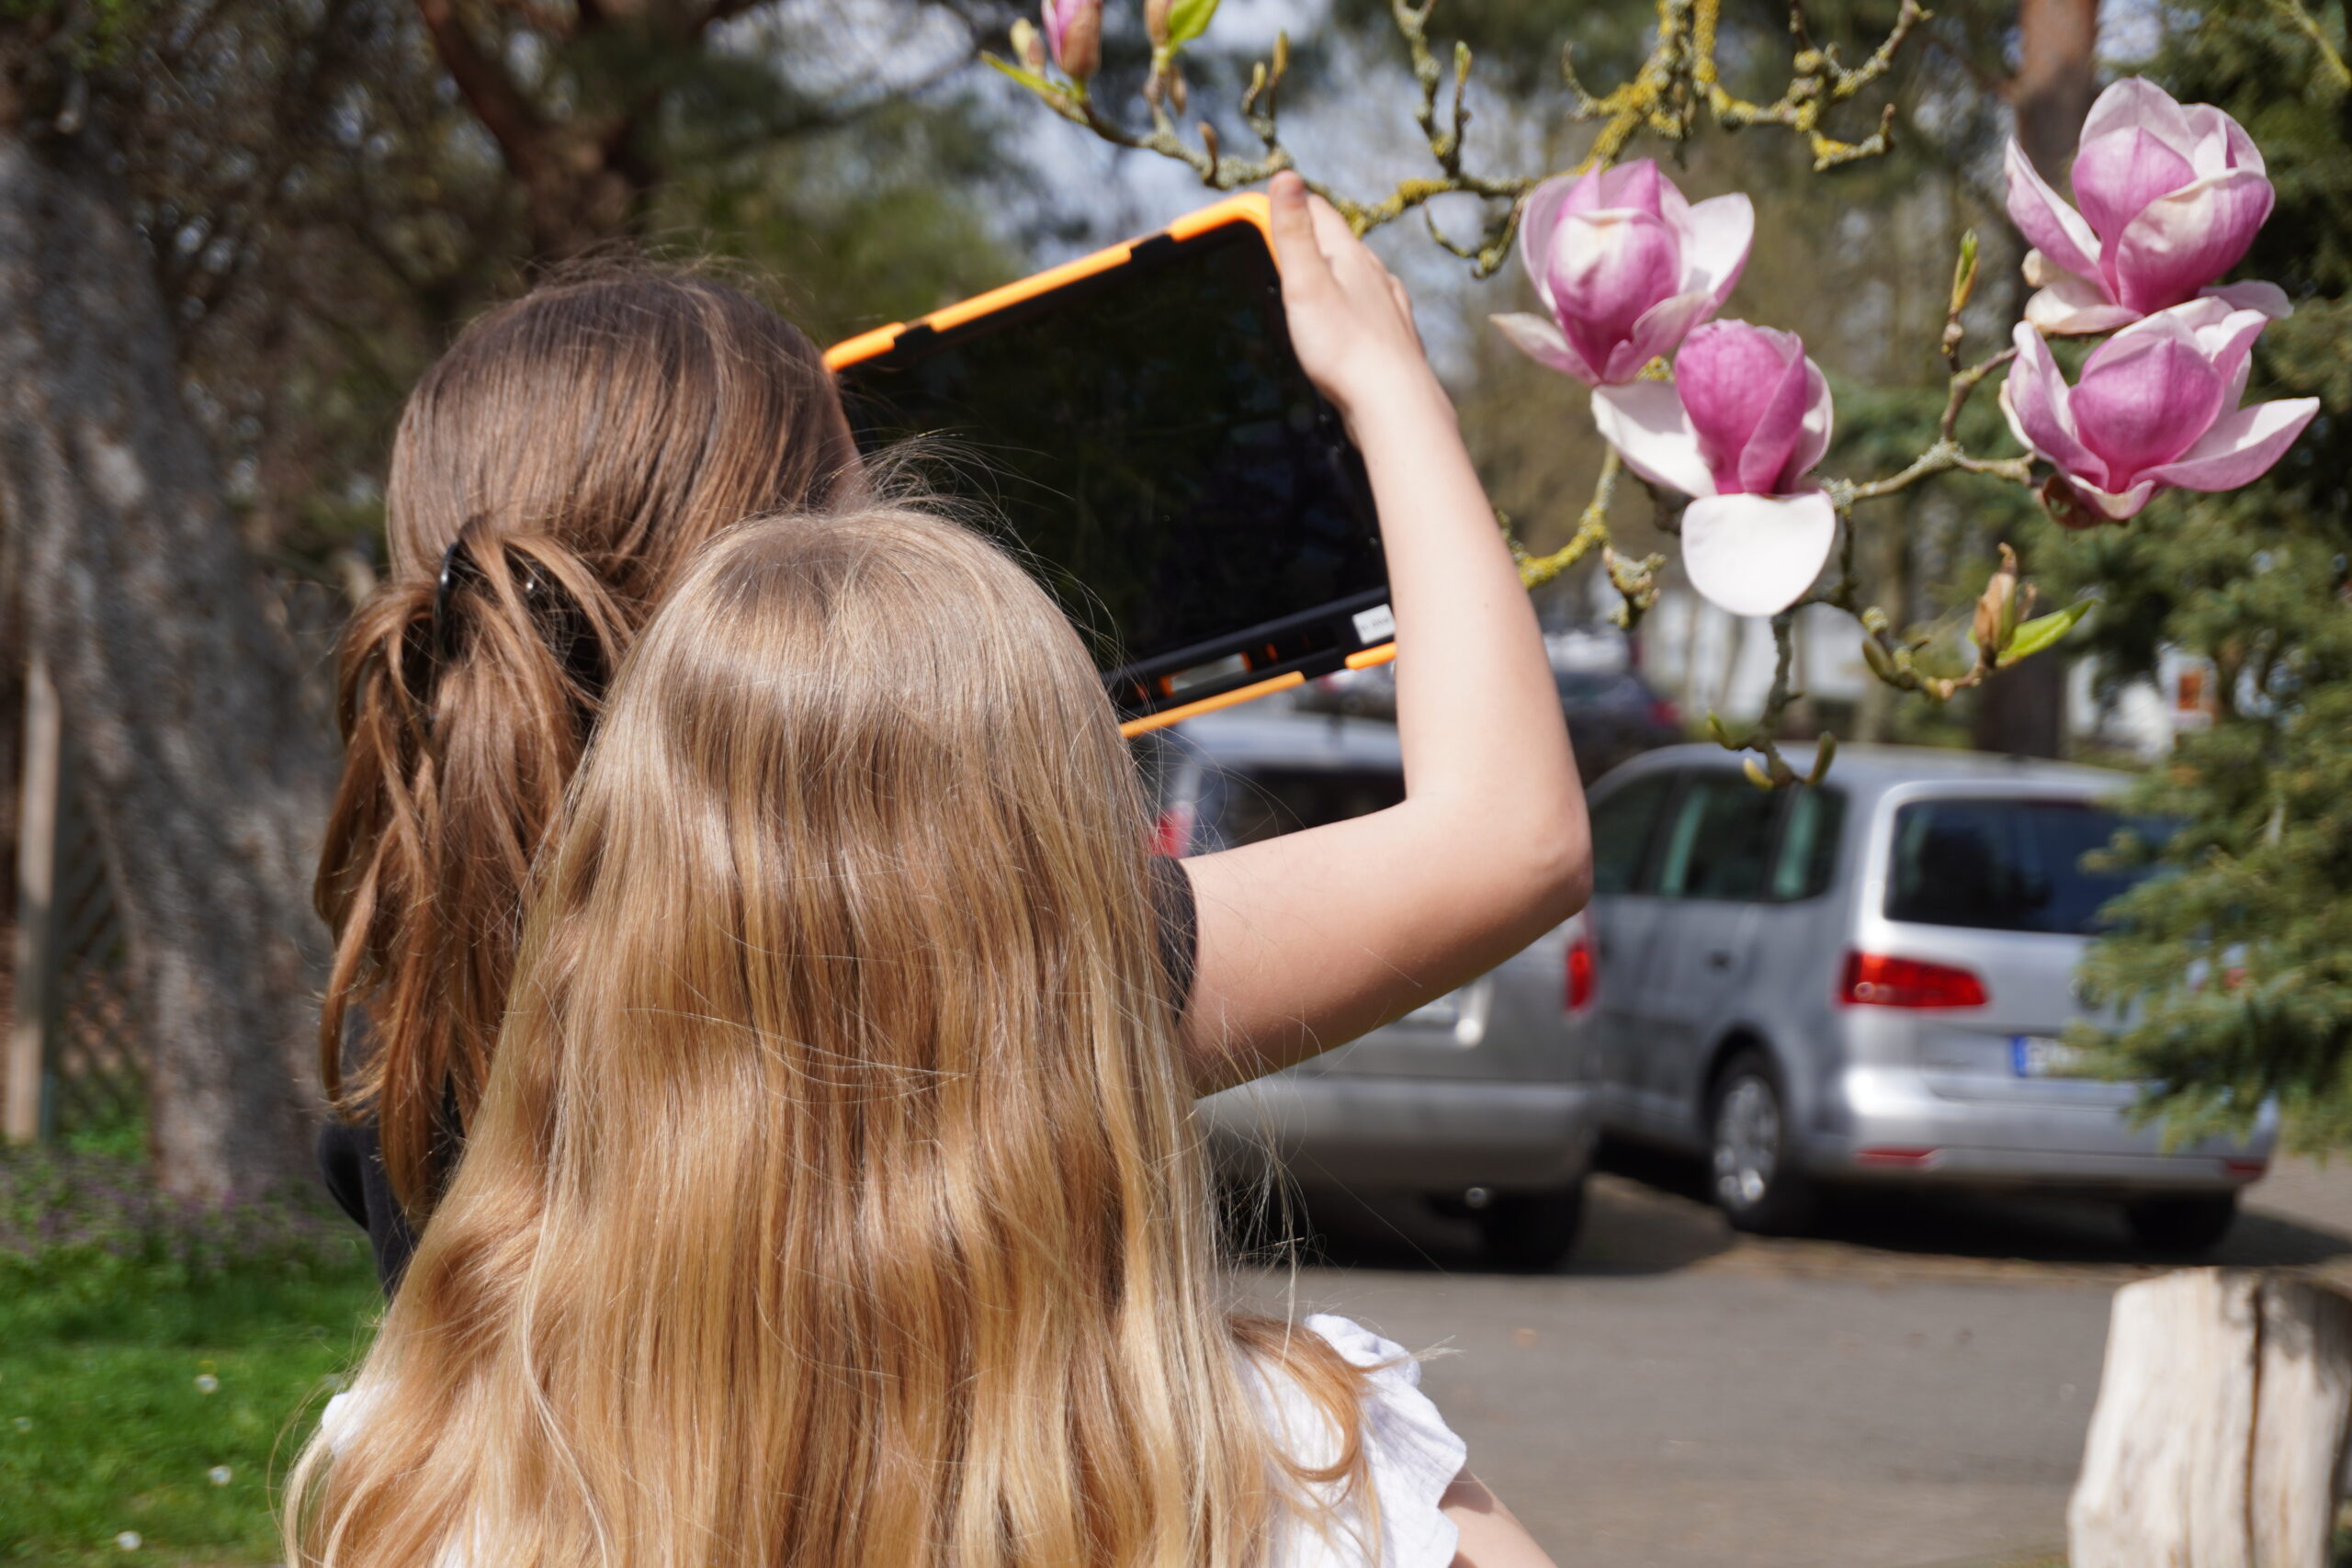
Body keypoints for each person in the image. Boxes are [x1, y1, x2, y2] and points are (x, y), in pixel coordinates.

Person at [314, 176, 1589, 1298]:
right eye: (881, 513)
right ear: (799, 605)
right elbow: (1510, 837)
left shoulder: (409, 1058)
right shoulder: (976, 967)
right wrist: (1390, 386)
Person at [288, 524, 1557, 1568]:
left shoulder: (422, 1477)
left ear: (608, 940)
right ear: (1104, 941)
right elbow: (1515, 836)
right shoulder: (1314, 1472)